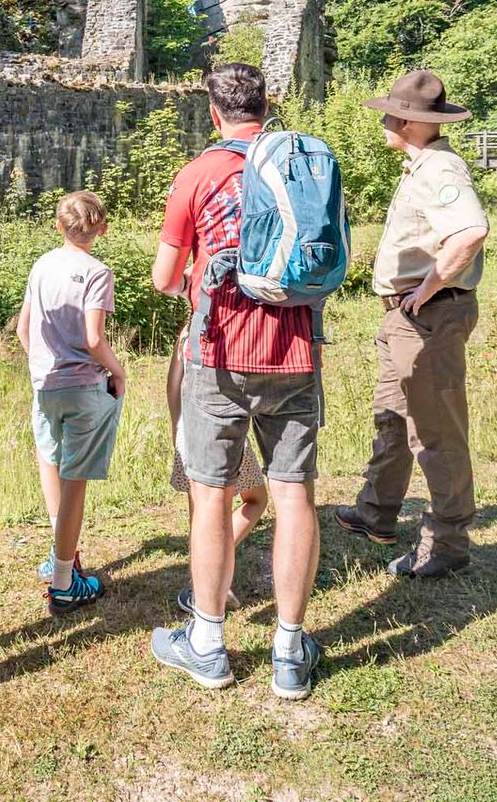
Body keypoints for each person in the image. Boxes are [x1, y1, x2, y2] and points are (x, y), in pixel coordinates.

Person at [148, 62, 325, 700]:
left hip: (218, 354)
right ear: (267, 107)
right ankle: (288, 651)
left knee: (211, 494)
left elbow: (166, 280)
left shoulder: (198, 174)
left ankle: (209, 644)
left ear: (214, 113)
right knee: (294, 494)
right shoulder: (301, 164)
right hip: (296, 349)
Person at [334, 69, 490, 579]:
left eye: (389, 114)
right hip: (410, 316)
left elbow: (469, 232)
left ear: (407, 121)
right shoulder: (421, 165)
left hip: (428, 315)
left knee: (435, 429)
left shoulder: (440, 170)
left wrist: (424, 291)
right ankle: (376, 511)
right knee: (393, 414)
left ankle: (445, 542)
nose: (383, 120)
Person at [14, 190, 125, 615]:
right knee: (75, 480)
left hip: (46, 384)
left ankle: (63, 556)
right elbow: (94, 338)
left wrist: (42, 363)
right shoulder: (97, 272)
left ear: (59, 226)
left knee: (51, 462)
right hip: (84, 386)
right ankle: (63, 583)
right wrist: (119, 372)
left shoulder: (42, 264)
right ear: (102, 228)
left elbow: (24, 329)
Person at [165, 335, 268, 616]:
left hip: (189, 430)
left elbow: (172, 387)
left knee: (200, 512)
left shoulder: (186, 334)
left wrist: (178, 430)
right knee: (256, 500)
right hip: (222, 429)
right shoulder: (229, 332)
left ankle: (201, 583)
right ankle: (212, 569)